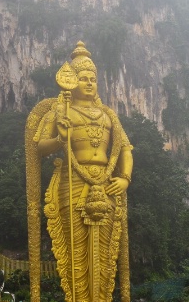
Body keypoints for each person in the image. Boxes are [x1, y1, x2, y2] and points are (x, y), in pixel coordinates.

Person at [26, 42, 133, 302]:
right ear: (71, 82)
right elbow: (39, 147)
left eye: (92, 79)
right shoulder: (60, 111)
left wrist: (124, 178)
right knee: (76, 252)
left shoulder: (108, 115)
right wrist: (60, 140)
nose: (88, 83)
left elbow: (126, 149)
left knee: (105, 253)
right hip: (72, 183)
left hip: (106, 184)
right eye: (82, 78)